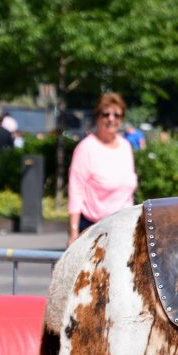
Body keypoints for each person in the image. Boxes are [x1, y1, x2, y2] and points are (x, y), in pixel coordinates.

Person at [67, 92, 137, 246]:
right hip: (93, 230)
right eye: (106, 114)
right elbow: (75, 191)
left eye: (117, 115)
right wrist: (73, 232)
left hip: (123, 228)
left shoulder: (125, 146)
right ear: (97, 117)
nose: (111, 119)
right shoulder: (86, 148)